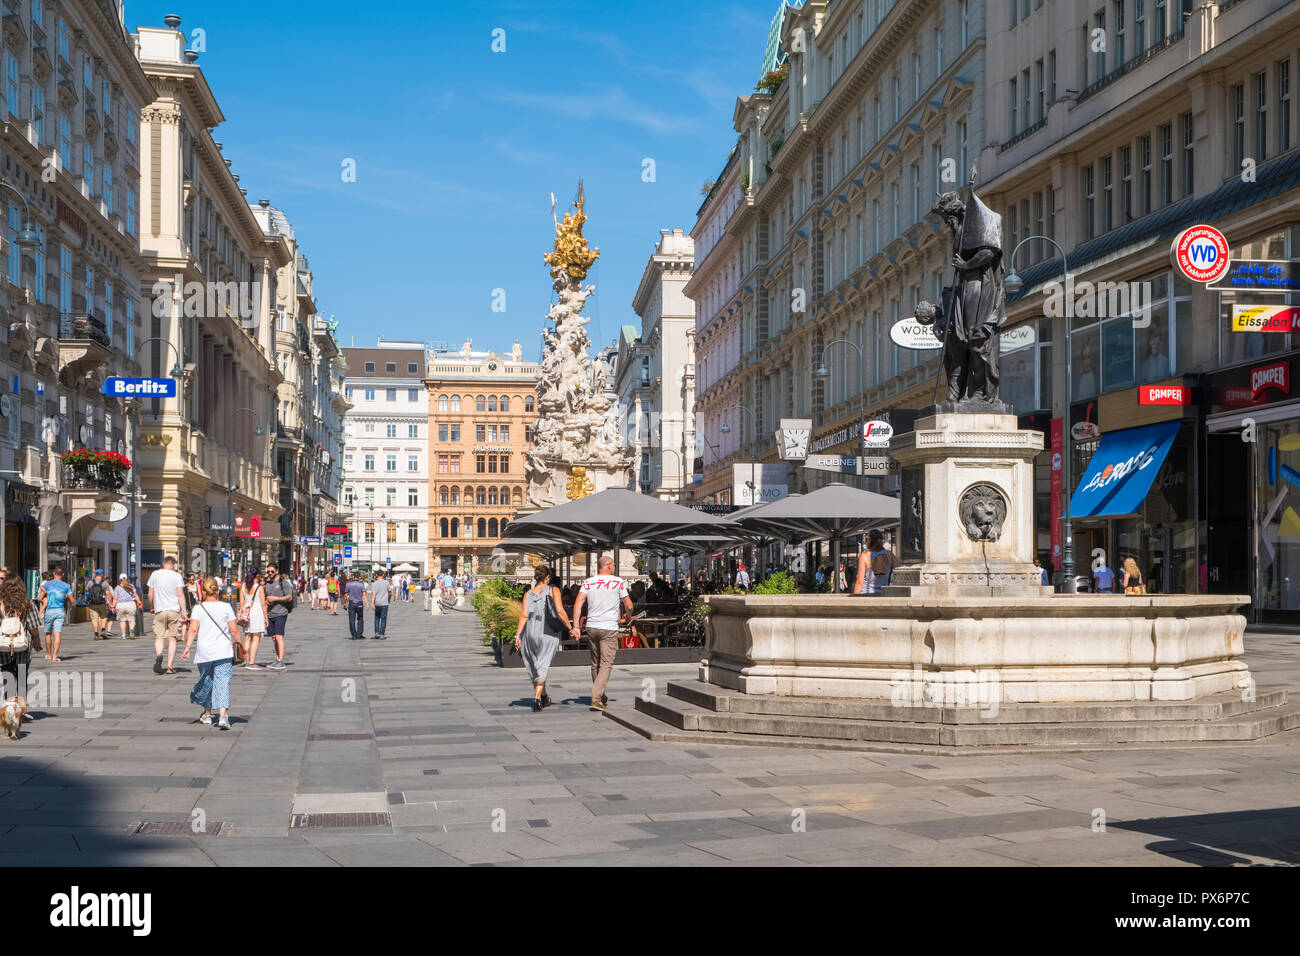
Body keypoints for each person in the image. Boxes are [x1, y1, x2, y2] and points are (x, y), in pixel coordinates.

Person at [570, 555, 633, 712]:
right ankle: (596, 697)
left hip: (591, 626)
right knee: (606, 663)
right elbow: (629, 604)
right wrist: (628, 616)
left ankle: (601, 696)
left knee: (596, 662)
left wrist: (576, 626)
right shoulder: (617, 581)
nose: (615, 567)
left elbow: (578, 604)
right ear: (609, 566)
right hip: (609, 627)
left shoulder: (588, 582)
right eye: (614, 565)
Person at [182, 576, 241, 730]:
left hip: (204, 652)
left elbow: (193, 629)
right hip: (223, 651)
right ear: (218, 589)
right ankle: (222, 717)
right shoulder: (226, 607)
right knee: (222, 682)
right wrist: (242, 645)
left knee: (207, 681)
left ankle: (207, 715)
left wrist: (187, 647)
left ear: (203, 590)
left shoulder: (198, 608)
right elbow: (234, 629)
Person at [515, 563, 571, 712]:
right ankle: (537, 698)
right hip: (547, 631)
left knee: (536, 665)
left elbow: (523, 615)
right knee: (543, 664)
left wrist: (517, 635)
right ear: (547, 577)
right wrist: (570, 627)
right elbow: (560, 611)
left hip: (530, 632)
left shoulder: (528, 593)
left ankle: (544, 695)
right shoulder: (553, 590)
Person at [147, 556, 188, 675]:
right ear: (174, 565)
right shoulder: (177, 576)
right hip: (174, 610)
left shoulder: (155, 574)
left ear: (164, 563)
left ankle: (159, 655)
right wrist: (184, 611)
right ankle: (170, 667)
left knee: (159, 637)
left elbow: (150, 594)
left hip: (160, 610)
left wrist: (151, 607)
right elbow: (180, 595)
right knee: (172, 638)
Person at [0, 573, 35, 707]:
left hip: (4, 647)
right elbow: (33, 624)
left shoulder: (1, 603)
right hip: (22, 647)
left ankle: (9, 707)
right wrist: (36, 639)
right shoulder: (27, 602)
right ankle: (20, 707)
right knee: (21, 678)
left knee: (8, 676)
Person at [38, 566, 72, 663]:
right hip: (60, 611)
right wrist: (66, 596)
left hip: (49, 611)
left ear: (53, 574)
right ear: (63, 575)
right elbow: (72, 600)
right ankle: (55, 656)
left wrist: (47, 595)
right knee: (57, 634)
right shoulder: (66, 585)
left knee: (48, 633)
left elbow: (40, 598)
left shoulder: (48, 584)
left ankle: (48, 655)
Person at [263, 564, 293, 669]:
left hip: (281, 612)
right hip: (270, 613)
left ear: (276, 571)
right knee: (274, 637)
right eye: (268, 572)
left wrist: (275, 599)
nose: (270, 573)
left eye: (272, 571)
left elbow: (289, 597)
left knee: (279, 636)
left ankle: (281, 660)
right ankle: (277, 658)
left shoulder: (283, 583)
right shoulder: (267, 584)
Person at [239, 569, 268, 669]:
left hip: (247, 612)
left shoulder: (243, 586)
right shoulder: (259, 587)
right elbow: (263, 604)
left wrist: (242, 613)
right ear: (258, 576)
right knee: (256, 637)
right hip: (257, 612)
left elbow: (241, 603)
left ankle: (247, 661)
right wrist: (266, 617)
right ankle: (252, 662)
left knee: (247, 637)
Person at [855, 531, 894, 595]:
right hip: (883, 595)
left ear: (870, 540)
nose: (866, 541)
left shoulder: (864, 556)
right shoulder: (889, 555)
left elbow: (859, 582)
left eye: (866, 539)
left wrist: (854, 598)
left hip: (866, 595)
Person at [85, 569, 111, 641]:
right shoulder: (105, 583)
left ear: (95, 574)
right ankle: (103, 630)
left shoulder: (90, 582)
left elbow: (86, 592)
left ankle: (96, 634)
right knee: (103, 617)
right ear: (102, 575)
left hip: (93, 604)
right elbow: (108, 594)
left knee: (94, 619)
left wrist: (88, 600)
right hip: (102, 603)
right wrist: (111, 604)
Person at [114, 574, 139, 639]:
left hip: (120, 605)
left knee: (122, 621)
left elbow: (115, 598)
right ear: (127, 579)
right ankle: (131, 630)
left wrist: (112, 606)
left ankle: (123, 635)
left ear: (120, 580)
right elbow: (135, 595)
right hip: (130, 604)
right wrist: (140, 603)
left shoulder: (117, 588)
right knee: (131, 619)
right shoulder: (131, 586)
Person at [368, 569, 391, 640]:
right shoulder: (387, 583)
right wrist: (388, 600)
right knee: (383, 619)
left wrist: (372, 603)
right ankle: (382, 634)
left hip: (377, 603)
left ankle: (376, 633)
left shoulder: (374, 583)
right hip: (384, 603)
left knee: (377, 618)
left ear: (377, 575)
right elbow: (390, 593)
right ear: (383, 575)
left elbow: (373, 594)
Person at [344, 572, 367, 639]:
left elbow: (346, 595)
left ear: (353, 577)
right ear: (359, 577)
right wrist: (367, 604)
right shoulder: (361, 584)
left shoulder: (349, 584)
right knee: (360, 618)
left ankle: (354, 635)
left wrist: (344, 603)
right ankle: (359, 634)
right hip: (359, 603)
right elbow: (364, 594)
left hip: (352, 603)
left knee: (352, 619)